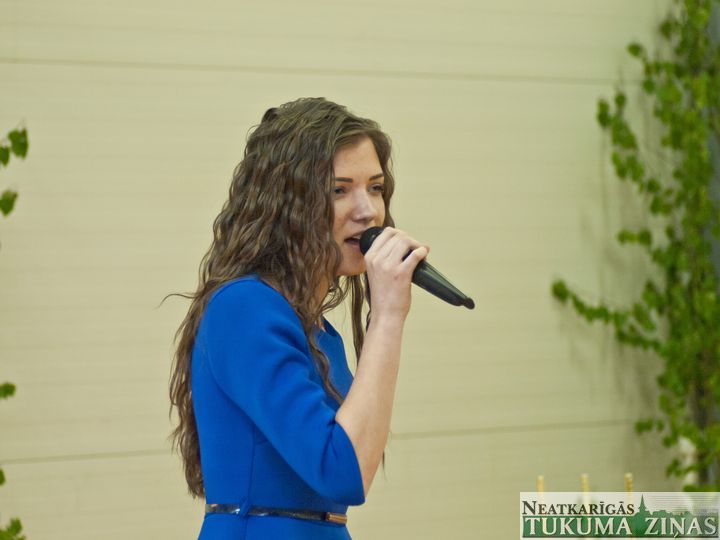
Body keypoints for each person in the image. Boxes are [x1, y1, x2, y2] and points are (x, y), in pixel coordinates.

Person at [167, 97, 429, 539]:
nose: (368, 211)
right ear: (286, 204)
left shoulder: (321, 336)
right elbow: (341, 471)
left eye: (375, 188)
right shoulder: (244, 307)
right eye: (339, 190)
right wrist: (387, 315)